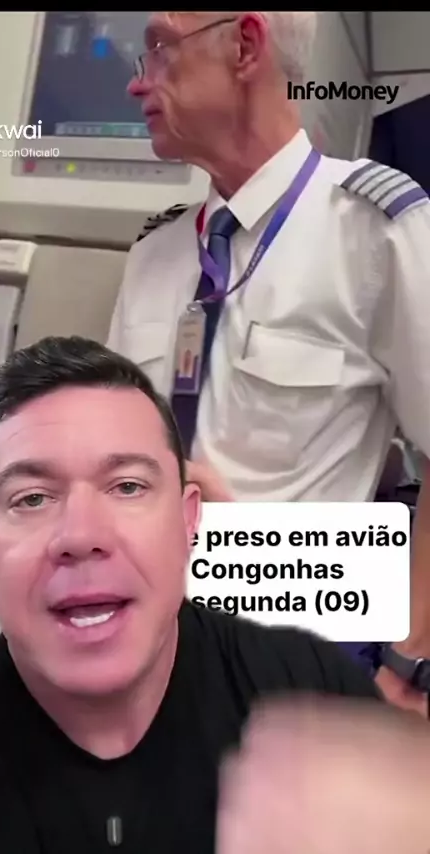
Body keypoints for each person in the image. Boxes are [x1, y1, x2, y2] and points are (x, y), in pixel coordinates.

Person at [106, 11, 430, 713]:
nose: (138, 82)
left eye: (160, 47)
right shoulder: (154, 253)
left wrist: (408, 665)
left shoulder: (378, 231)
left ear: (246, 45)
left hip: (288, 675)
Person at [0, 334, 387, 854]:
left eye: (127, 486)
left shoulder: (318, 699)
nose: (81, 535)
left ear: (188, 521)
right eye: (32, 498)